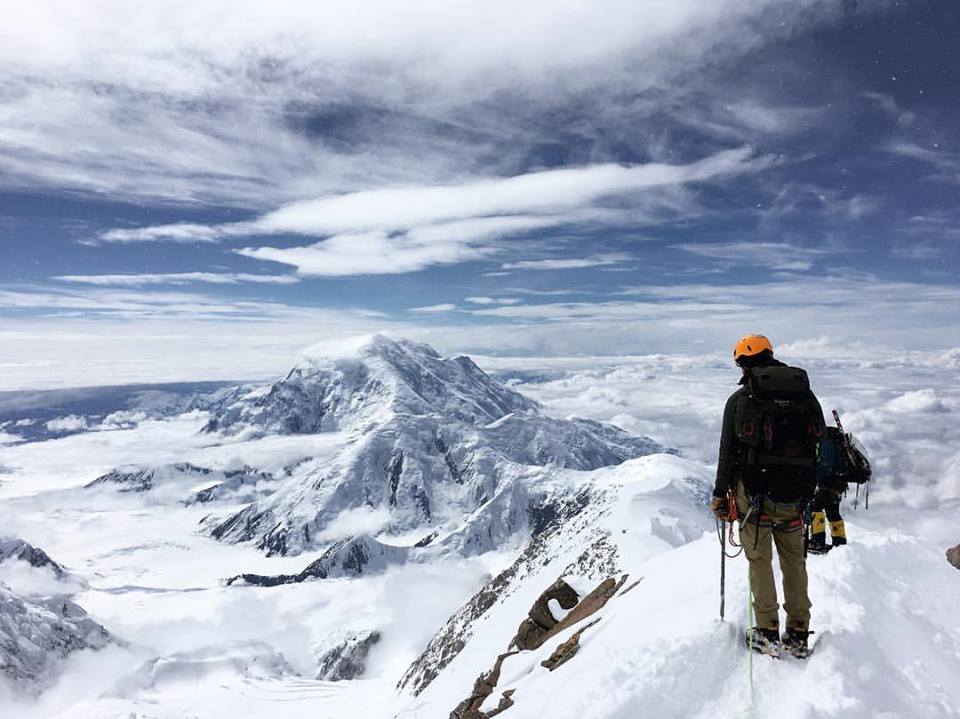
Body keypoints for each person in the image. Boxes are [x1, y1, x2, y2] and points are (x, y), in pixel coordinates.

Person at [710, 334, 826, 658]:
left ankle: (766, 631)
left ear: (742, 362)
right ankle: (799, 634)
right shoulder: (806, 396)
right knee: (794, 562)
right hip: (796, 496)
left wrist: (721, 495)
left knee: (759, 561)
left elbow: (727, 452)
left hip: (756, 497)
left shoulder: (740, 401)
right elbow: (819, 442)